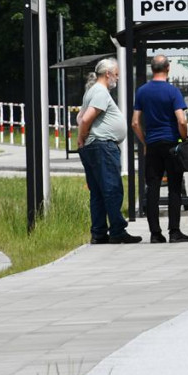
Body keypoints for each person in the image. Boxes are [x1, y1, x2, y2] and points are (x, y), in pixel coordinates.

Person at [77, 58, 141, 245]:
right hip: (102, 146)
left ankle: (98, 233)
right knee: (112, 188)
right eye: (117, 75)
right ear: (108, 74)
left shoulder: (91, 92)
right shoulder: (100, 92)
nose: (118, 78)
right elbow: (86, 119)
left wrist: (83, 140)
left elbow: (80, 116)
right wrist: (81, 138)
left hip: (95, 145)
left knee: (97, 191)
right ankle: (117, 231)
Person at [132, 54, 188, 244]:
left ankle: (155, 234)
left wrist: (145, 143)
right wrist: (184, 138)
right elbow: (181, 120)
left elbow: (135, 123)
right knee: (174, 186)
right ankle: (174, 232)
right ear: (167, 68)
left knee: (153, 188)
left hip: (153, 145)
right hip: (171, 144)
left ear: (152, 69)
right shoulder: (173, 92)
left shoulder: (142, 91)